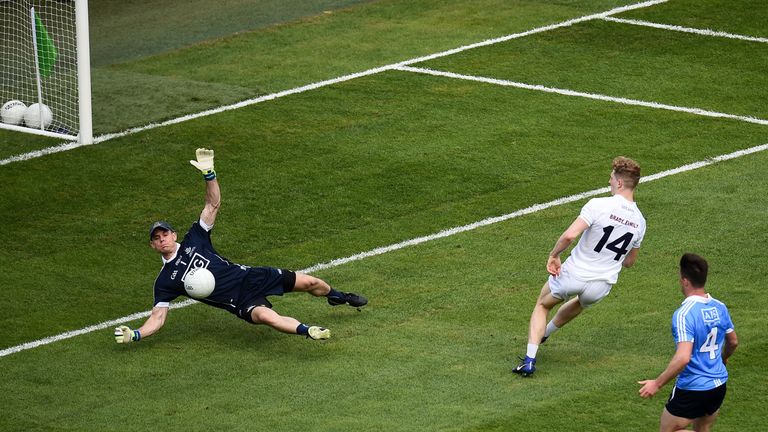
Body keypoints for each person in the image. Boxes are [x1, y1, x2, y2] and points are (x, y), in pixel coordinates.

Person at [114, 148, 367, 344]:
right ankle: (308, 330)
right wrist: (135, 334)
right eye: (157, 238)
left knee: (312, 283)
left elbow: (212, 205)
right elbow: (157, 319)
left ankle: (337, 297)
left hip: (252, 276)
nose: (162, 239)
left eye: (165, 234)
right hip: (238, 300)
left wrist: (209, 174)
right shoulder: (165, 281)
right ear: (153, 246)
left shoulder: (195, 238)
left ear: (173, 234)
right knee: (267, 317)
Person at [513, 156, 646, 377]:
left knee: (542, 306)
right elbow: (630, 262)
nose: (610, 182)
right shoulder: (641, 222)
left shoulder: (598, 204)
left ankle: (529, 360)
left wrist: (554, 255)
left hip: (574, 274)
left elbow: (569, 235)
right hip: (602, 285)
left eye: (612, 178)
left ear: (620, 183)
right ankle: (545, 333)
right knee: (581, 302)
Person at [638, 253, 738, 432]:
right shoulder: (719, 306)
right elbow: (733, 342)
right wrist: (723, 358)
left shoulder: (684, 314)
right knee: (702, 429)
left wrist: (656, 383)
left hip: (692, 388)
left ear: (685, 281)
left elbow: (683, 357)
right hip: (718, 386)